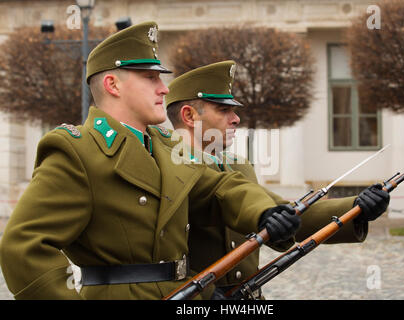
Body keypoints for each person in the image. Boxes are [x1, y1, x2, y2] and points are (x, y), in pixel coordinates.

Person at [0, 22, 301, 300]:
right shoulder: (76, 151)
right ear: (113, 85)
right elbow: (24, 248)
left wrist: (262, 212)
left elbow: (220, 187)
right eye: (150, 77)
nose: (165, 88)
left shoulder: (165, 146)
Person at [164, 60, 391, 298]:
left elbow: (282, 213)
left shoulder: (235, 165)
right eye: (223, 110)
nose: (235, 119)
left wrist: (356, 208)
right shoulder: (167, 168)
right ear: (189, 116)